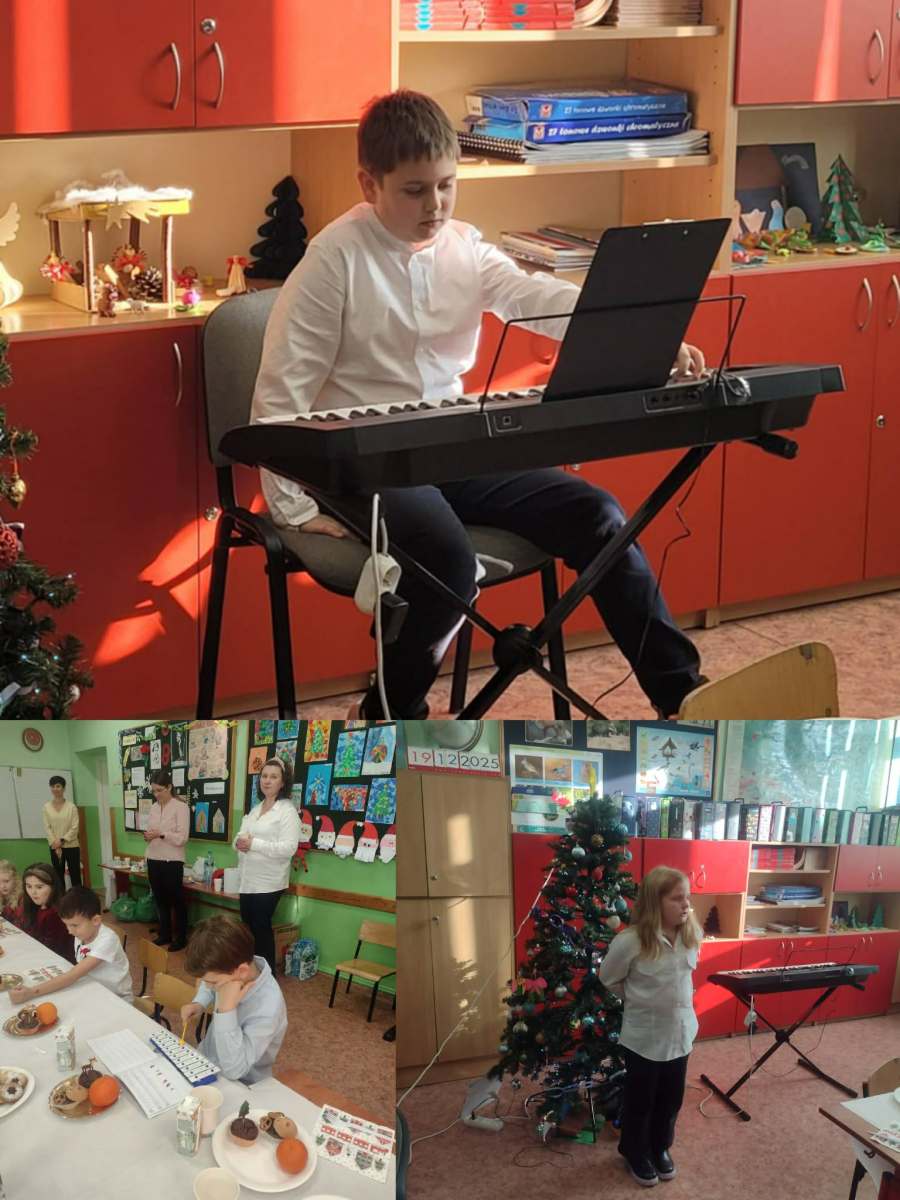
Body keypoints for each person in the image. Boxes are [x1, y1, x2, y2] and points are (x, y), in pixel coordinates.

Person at [251, 88, 707, 720]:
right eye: (415, 191)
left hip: (452, 441)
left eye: (447, 186)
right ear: (369, 184)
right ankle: (387, 716)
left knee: (599, 516)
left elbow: (534, 296)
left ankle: (683, 694)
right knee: (447, 562)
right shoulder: (333, 261)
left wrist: (646, 339)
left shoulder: (463, 244)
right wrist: (294, 508)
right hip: (359, 458)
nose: (435, 205)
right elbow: (280, 396)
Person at [596, 866, 702, 1188]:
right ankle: (634, 1151)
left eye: (687, 897)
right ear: (656, 902)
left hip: (680, 1034)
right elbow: (608, 978)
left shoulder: (690, 934)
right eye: (677, 898)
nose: (686, 904)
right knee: (641, 1101)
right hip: (644, 1038)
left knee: (671, 1100)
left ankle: (659, 1147)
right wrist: (638, 998)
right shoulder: (630, 941)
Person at [181, 915, 287, 1083]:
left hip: (243, 1084)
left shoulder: (268, 1007)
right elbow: (209, 983)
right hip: (208, 1061)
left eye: (213, 983)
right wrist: (199, 1002)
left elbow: (235, 1070)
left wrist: (226, 1010)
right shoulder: (232, 971)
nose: (208, 986)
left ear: (242, 971)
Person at [232, 758, 301, 972]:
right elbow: (239, 837)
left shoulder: (287, 811)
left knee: (261, 928)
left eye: (273, 777)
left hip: (269, 882)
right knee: (248, 927)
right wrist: (238, 844)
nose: (267, 781)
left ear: (283, 782)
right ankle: (252, 972)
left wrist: (254, 844)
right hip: (248, 879)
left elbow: (289, 848)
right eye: (264, 776)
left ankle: (267, 976)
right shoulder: (256, 809)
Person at [8, 886, 133, 1004]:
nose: (70, 931)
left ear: (96, 920)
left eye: (74, 925)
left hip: (117, 999)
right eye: (66, 925)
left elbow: (73, 975)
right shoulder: (82, 932)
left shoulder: (107, 940)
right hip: (92, 988)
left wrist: (31, 992)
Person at [144, 768, 190, 951]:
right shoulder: (154, 808)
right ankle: (165, 934)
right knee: (160, 900)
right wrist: (148, 835)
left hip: (172, 861)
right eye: (153, 791)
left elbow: (182, 838)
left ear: (169, 787)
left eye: (159, 790)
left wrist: (161, 834)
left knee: (177, 901)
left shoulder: (181, 807)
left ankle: (181, 938)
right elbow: (152, 830)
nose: (156, 795)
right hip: (153, 858)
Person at [19, 862, 75, 963]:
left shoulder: (55, 913)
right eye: (29, 886)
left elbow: (52, 949)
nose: (33, 892)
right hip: (40, 956)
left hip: (58, 962)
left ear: (53, 887)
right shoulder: (35, 906)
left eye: (39, 887)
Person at [42, 775, 82, 890]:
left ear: (63, 788)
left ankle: (78, 897)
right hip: (55, 846)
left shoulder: (71, 807)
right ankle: (61, 899)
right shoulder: (46, 807)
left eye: (58, 786)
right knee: (58, 876)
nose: (55, 789)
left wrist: (62, 840)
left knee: (75, 874)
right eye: (52, 786)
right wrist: (55, 843)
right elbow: (47, 827)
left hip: (71, 845)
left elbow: (75, 827)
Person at [0, 860, 23, 927]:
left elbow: (20, 925)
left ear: (15, 879)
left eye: (6, 881)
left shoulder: (21, 897)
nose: (2, 886)